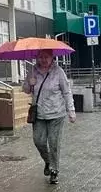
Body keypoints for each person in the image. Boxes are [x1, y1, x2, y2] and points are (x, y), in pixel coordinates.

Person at [23, 50, 76, 184]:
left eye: (46, 57)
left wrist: (71, 110)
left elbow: (66, 92)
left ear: (52, 57)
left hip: (56, 113)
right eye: (40, 57)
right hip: (39, 114)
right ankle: (48, 161)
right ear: (37, 58)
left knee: (54, 143)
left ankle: (54, 170)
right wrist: (30, 83)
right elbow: (26, 89)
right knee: (38, 141)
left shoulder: (58, 72)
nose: (43, 60)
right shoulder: (33, 71)